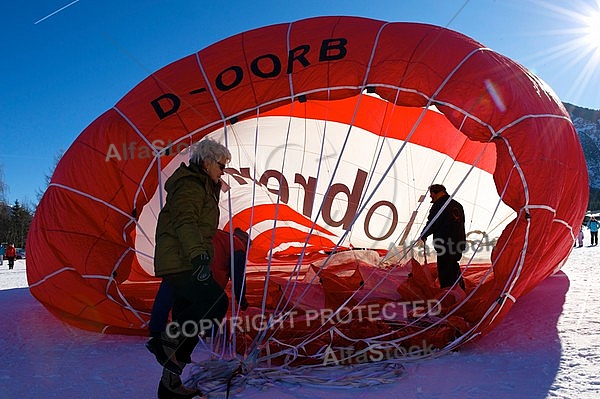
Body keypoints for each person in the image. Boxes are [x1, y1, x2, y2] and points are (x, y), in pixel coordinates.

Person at [150, 138, 231, 399]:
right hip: (181, 261)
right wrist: (198, 258)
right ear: (206, 162)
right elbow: (186, 222)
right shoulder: (190, 185)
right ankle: (165, 340)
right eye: (221, 166)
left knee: (191, 325)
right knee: (215, 302)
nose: (223, 171)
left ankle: (169, 385)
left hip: (186, 259)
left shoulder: (205, 186)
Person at [146, 228, 250, 373]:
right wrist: (242, 301)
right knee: (215, 305)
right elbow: (238, 278)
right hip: (202, 276)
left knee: (178, 301)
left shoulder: (217, 234)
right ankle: (181, 340)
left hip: (178, 260)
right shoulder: (238, 246)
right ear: (246, 242)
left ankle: (159, 336)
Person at [420, 184, 466, 290]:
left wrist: (424, 234)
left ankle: (448, 294)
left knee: (445, 270)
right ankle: (460, 290)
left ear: (435, 193)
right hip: (459, 242)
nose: (432, 198)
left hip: (445, 243)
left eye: (431, 196)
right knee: (453, 265)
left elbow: (433, 222)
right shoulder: (457, 205)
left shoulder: (439, 205)